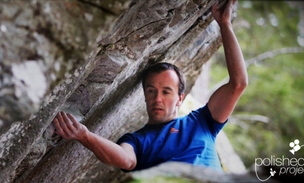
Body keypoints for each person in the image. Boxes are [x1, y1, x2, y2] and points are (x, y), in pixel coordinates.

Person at [52, 0, 247, 172]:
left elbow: (238, 84)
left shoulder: (203, 122)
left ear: (180, 97)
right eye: (151, 91)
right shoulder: (137, 141)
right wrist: (84, 136)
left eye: (166, 91)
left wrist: (225, 24)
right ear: (144, 96)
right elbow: (126, 160)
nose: (158, 98)